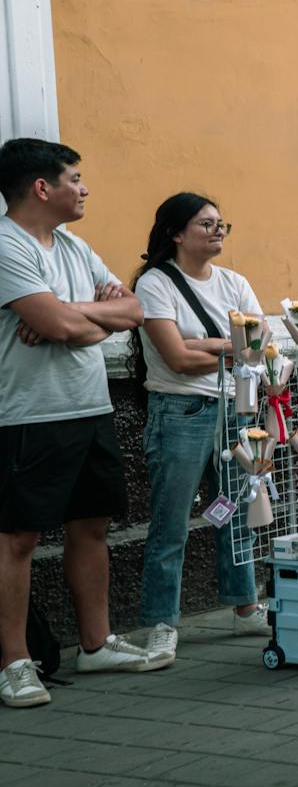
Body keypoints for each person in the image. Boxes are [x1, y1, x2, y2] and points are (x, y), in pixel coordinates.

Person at [0, 138, 171, 709]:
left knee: (90, 527)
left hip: (90, 408)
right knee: (18, 538)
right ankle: (14, 663)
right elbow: (63, 325)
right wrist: (77, 319)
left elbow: (133, 310)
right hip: (27, 415)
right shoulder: (6, 245)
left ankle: (96, 646)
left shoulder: (75, 247)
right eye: (75, 178)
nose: (85, 188)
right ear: (41, 187)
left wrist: (67, 315)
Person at [133, 193, 272, 660]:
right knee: (171, 523)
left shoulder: (234, 283)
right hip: (180, 412)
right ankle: (162, 622)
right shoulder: (155, 283)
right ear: (176, 233)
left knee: (235, 513)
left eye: (221, 224)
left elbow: (260, 344)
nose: (217, 231)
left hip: (236, 411)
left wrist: (206, 347)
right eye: (206, 223)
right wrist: (230, 346)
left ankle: (245, 605)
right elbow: (176, 358)